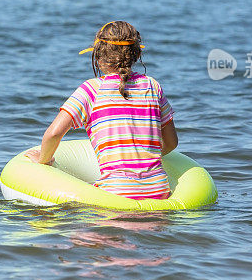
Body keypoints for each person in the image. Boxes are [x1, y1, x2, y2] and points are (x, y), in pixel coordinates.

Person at [25, 21, 178, 200]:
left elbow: (53, 134)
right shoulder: (153, 86)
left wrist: (44, 160)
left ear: (98, 56)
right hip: (159, 192)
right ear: (136, 55)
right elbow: (172, 143)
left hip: (116, 195)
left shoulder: (92, 89)